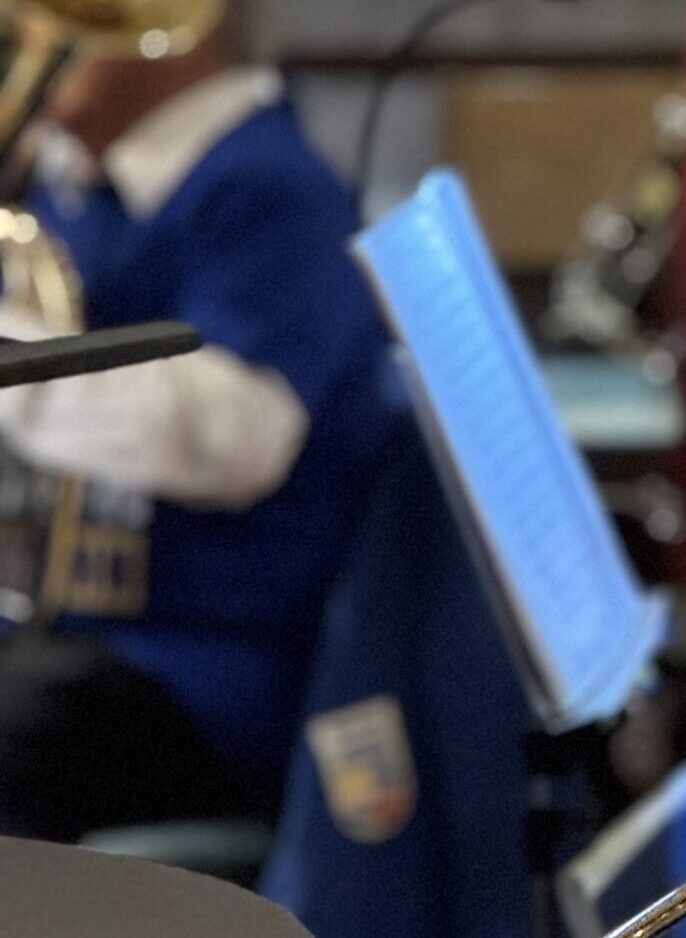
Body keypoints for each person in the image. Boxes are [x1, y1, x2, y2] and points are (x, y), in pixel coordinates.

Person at [0, 1, 399, 841]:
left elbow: (235, 437)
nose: (34, 30)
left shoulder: (271, 187)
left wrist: (16, 369)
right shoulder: (70, 181)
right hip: (66, 636)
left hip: (208, 669)